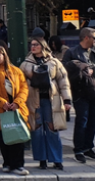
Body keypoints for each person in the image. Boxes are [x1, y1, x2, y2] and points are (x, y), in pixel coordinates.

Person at [21, 37, 70, 170]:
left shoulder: (54, 62)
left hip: (51, 100)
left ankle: (56, 159)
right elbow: (21, 83)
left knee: (52, 129)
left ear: (42, 46)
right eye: (31, 45)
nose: (33, 47)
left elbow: (63, 81)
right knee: (36, 130)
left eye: (36, 45)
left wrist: (67, 100)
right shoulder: (26, 64)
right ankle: (41, 159)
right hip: (33, 100)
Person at [0, 46, 29, 175]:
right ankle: (7, 163)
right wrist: (2, 103)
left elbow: (24, 89)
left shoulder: (16, 71)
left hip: (16, 110)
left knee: (18, 138)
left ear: (4, 56)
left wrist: (17, 103)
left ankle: (18, 165)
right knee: (4, 139)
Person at [64, 26, 95, 163]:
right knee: (82, 121)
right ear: (86, 38)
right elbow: (65, 72)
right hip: (80, 93)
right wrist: (83, 70)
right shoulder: (72, 52)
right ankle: (79, 149)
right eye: (94, 37)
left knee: (93, 122)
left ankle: (88, 147)